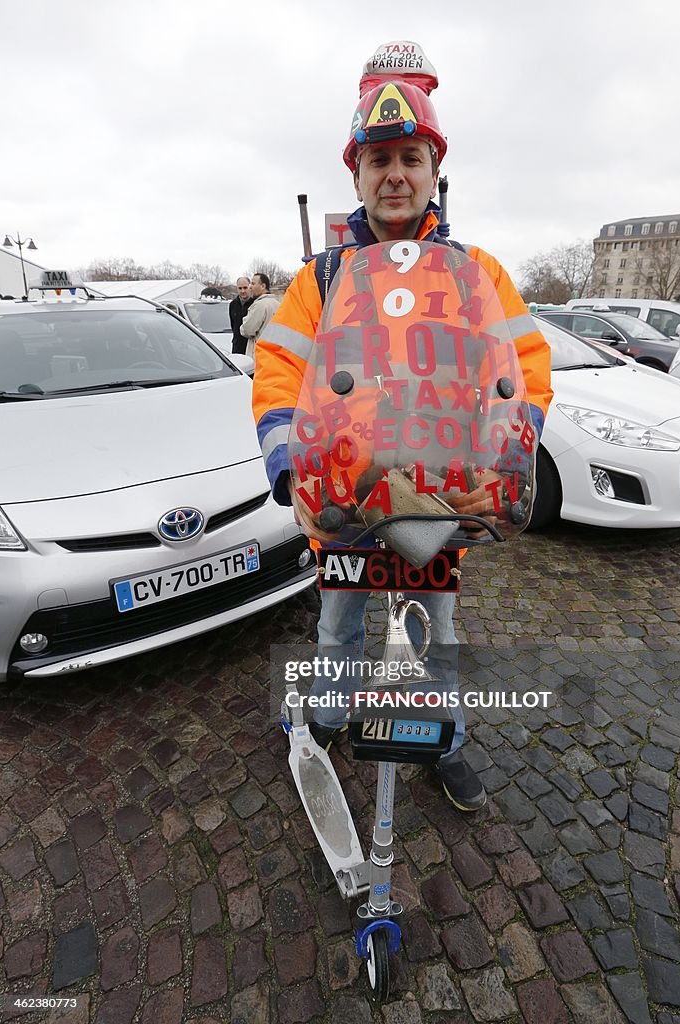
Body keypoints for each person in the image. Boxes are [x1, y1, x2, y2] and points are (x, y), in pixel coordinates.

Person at [252, 41, 553, 812]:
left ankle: (441, 737)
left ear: (431, 171)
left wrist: (505, 456)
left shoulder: (475, 271)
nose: (394, 173)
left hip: (442, 506)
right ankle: (324, 719)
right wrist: (290, 467)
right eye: (378, 157)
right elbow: (279, 373)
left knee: (431, 636)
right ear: (355, 172)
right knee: (337, 630)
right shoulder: (321, 279)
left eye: (409, 157)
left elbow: (524, 368)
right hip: (345, 503)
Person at [241, 273, 279, 360]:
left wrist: (244, 323)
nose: (250, 287)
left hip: (259, 355)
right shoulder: (278, 304)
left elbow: (247, 330)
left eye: (253, 284)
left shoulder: (260, 305)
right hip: (273, 354)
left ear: (263, 286)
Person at [229, 276, 254, 356]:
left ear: (250, 287)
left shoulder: (255, 304)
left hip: (251, 347)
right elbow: (233, 326)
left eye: (245, 288)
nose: (242, 291)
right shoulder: (233, 304)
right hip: (237, 347)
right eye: (240, 288)